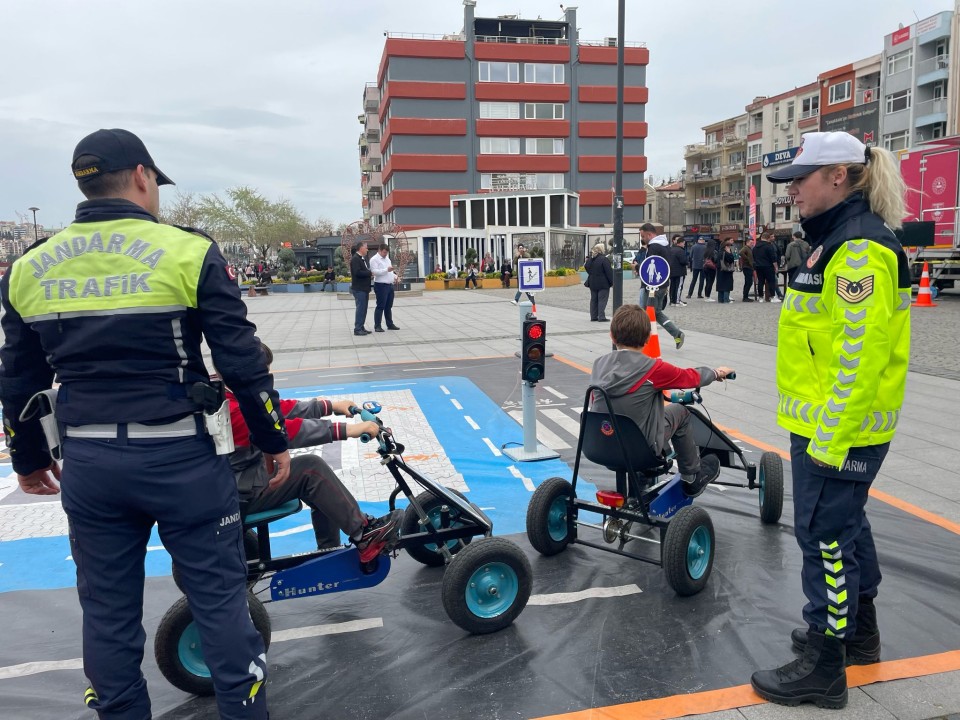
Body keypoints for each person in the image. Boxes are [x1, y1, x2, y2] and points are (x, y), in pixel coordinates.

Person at [0, 128, 288, 719]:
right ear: (141, 176)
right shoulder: (188, 251)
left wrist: (27, 458)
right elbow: (241, 362)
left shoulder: (28, 267)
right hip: (183, 460)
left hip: (89, 465)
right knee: (220, 603)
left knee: (107, 614)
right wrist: (271, 439)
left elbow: (17, 377)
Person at [749, 132, 911, 709]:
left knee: (825, 539)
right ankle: (858, 636)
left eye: (800, 179)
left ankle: (824, 665)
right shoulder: (837, 240)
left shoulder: (858, 249)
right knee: (847, 528)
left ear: (838, 176)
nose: (791, 191)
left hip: (838, 430)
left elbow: (858, 358)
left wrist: (829, 441)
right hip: (833, 424)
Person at [228, 343, 401, 563]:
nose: (266, 379)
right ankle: (364, 535)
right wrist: (350, 430)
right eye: (262, 374)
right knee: (311, 470)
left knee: (317, 480)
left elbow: (278, 409)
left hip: (239, 480)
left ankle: (329, 552)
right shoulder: (233, 411)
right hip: (238, 493)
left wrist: (330, 406)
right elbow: (284, 430)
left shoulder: (230, 393)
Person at [589, 304, 732, 497]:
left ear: (612, 337)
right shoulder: (653, 368)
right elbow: (690, 377)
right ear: (648, 338)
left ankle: (642, 475)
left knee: (629, 413)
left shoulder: (598, 364)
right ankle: (691, 477)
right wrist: (716, 373)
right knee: (680, 412)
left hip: (600, 445)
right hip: (640, 450)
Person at [639, 223, 686, 349]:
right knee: (656, 312)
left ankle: (645, 342)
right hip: (662, 284)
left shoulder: (654, 247)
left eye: (643, 236)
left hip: (652, 286)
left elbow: (649, 267)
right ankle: (676, 333)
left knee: (646, 313)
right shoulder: (665, 245)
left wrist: (637, 267)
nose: (642, 239)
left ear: (649, 234)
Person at [369, 243, 400, 332]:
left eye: (386, 253)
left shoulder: (387, 259)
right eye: (384, 252)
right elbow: (374, 272)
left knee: (388, 306)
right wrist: (386, 270)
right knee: (380, 306)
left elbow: (390, 272)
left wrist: (395, 277)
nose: (385, 254)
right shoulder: (374, 259)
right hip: (381, 285)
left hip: (389, 285)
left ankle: (390, 324)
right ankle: (377, 326)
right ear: (379, 250)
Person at [584, 243, 613, 322]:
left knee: (594, 299)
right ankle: (601, 317)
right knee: (602, 299)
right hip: (603, 283)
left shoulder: (590, 259)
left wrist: (592, 274)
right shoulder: (604, 259)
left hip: (592, 282)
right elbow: (609, 272)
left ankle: (593, 316)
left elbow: (586, 267)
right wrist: (612, 282)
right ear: (601, 249)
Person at [350, 241, 372, 335]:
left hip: (364, 288)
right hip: (359, 288)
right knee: (360, 308)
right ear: (361, 248)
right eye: (366, 247)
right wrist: (370, 273)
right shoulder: (355, 259)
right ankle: (357, 329)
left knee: (364, 309)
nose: (367, 249)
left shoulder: (363, 258)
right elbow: (357, 272)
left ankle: (361, 326)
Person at [754, 228, 781, 302]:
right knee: (771, 281)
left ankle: (760, 297)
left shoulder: (756, 246)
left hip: (758, 266)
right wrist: (776, 267)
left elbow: (754, 256)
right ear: (768, 238)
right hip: (768, 266)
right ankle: (772, 297)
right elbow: (773, 258)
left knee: (760, 282)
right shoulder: (769, 246)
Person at [666, 235, 688, 306]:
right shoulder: (680, 251)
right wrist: (687, 262)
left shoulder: (671, 249)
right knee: (678, 286)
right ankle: (677, 301)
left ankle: (672, 301)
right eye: (684, 243)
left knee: (672, 286)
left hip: (672, 271)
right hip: (680, 272)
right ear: (680, 243)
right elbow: (683, 261)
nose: (684, 245)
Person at [716, 238, 736, 303]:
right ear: (726, 247)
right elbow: (731, 260)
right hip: (726, 271)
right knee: (726, 285)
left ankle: (720, 299)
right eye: (729, 246)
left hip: (719, 271)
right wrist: (729, 253)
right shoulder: (726, 253)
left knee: (720, 285)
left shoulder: (719, 252)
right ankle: (726, 299)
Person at [739, 237, 756, 302]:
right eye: (751, 243)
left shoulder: (749, 249)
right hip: (747, 267)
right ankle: (745, 297)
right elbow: (741, 252)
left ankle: (745, 296)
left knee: (748, 282)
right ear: (747, 242)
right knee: (748, 282)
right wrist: (747, 259)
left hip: (749, 267)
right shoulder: (746, 248)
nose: (752, 244)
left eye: (753, 243)